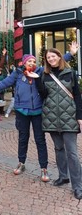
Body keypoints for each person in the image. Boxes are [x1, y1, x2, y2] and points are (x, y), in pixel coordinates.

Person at [0, 47, 77, 182]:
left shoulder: (40, 72)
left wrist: (70, 54)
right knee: (23, 138)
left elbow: (56, 60)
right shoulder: (17, 74)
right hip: (22, 111)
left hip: (38, 111)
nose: (31, 63)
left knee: (40, 140)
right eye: (29, 61)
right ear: (24, 63)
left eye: (33, 61)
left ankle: (44, 168)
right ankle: (21, 162)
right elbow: (3, 83)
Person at [36, 48, 82, 200]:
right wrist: (37, 81)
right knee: (58, 148)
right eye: (48, 57)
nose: (51, 59)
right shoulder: (44, 75)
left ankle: (78, 186)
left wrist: (79, 117)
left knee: (72, 153)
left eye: (53, 56)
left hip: (69, 117)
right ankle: (63, 176)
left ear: (59, 56)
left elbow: (77, 96)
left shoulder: (70, 73)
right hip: (51, 118)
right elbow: (43, 95)